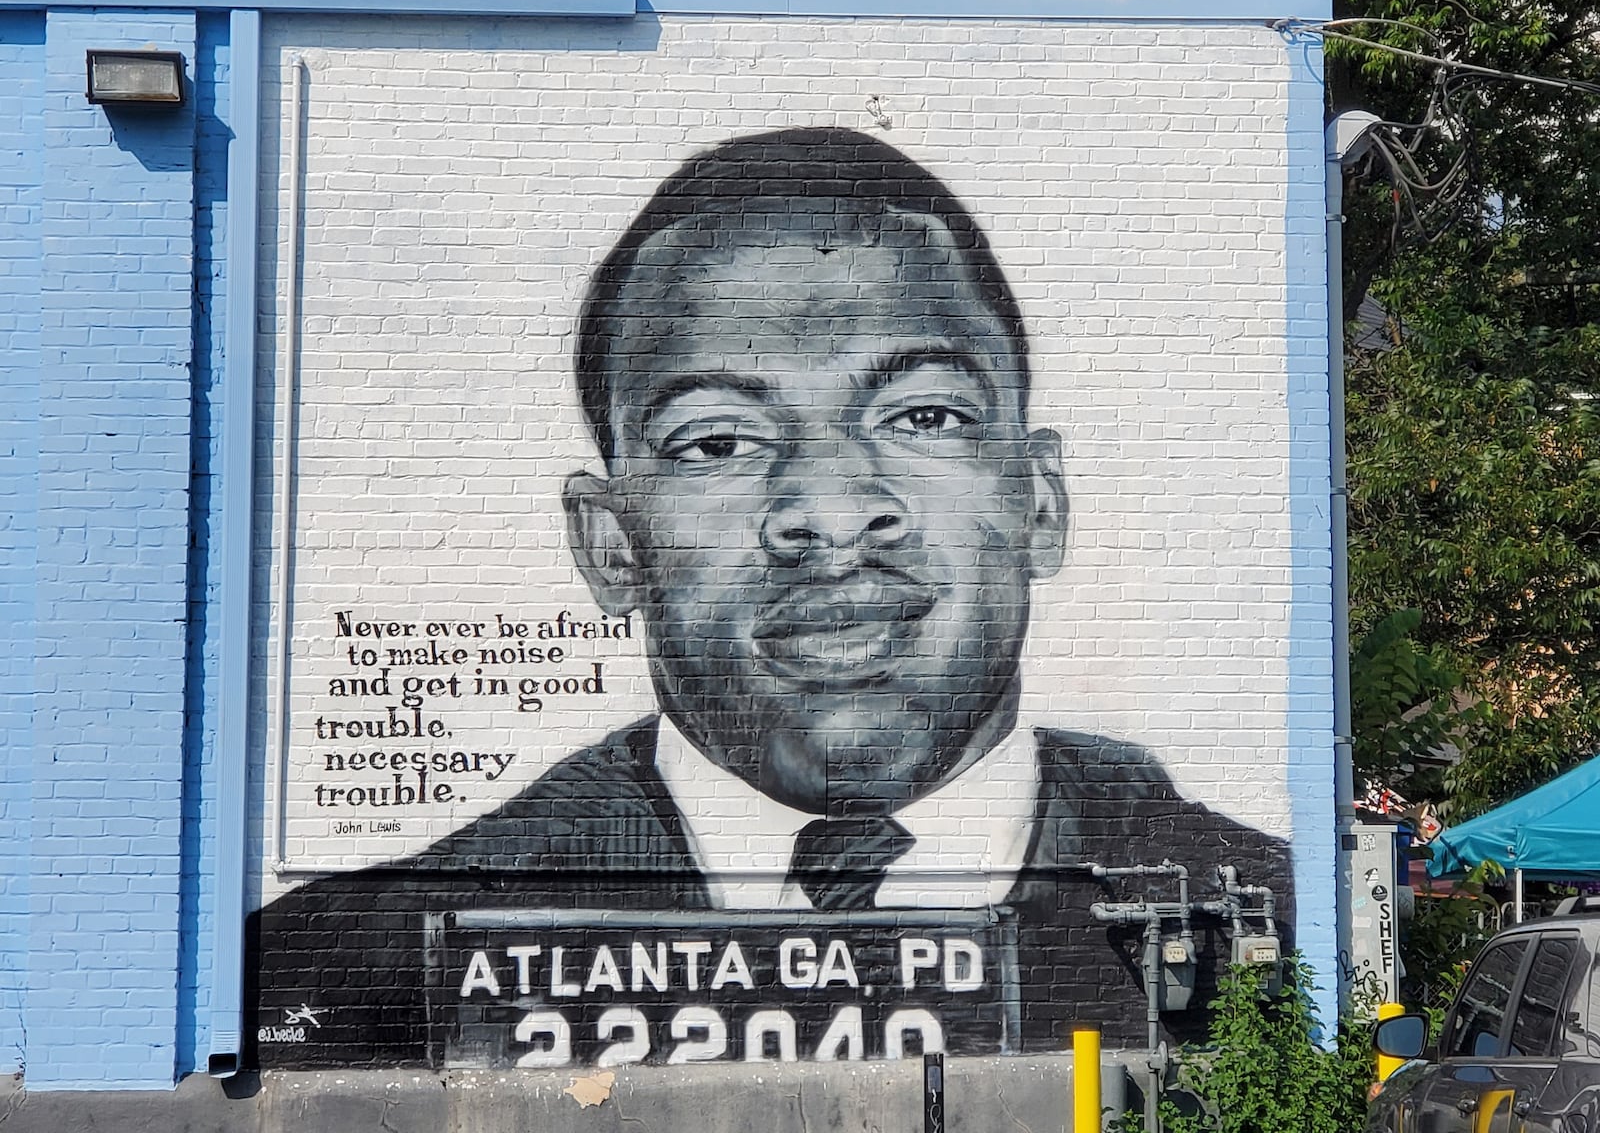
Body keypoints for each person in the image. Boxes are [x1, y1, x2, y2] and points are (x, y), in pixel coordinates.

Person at [251, 127, 1292, 1068]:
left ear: (1040, 502)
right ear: (611, 544)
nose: (831, 516)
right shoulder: (334, 975)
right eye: (719, 442)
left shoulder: (1266, 916)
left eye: (924, 416)